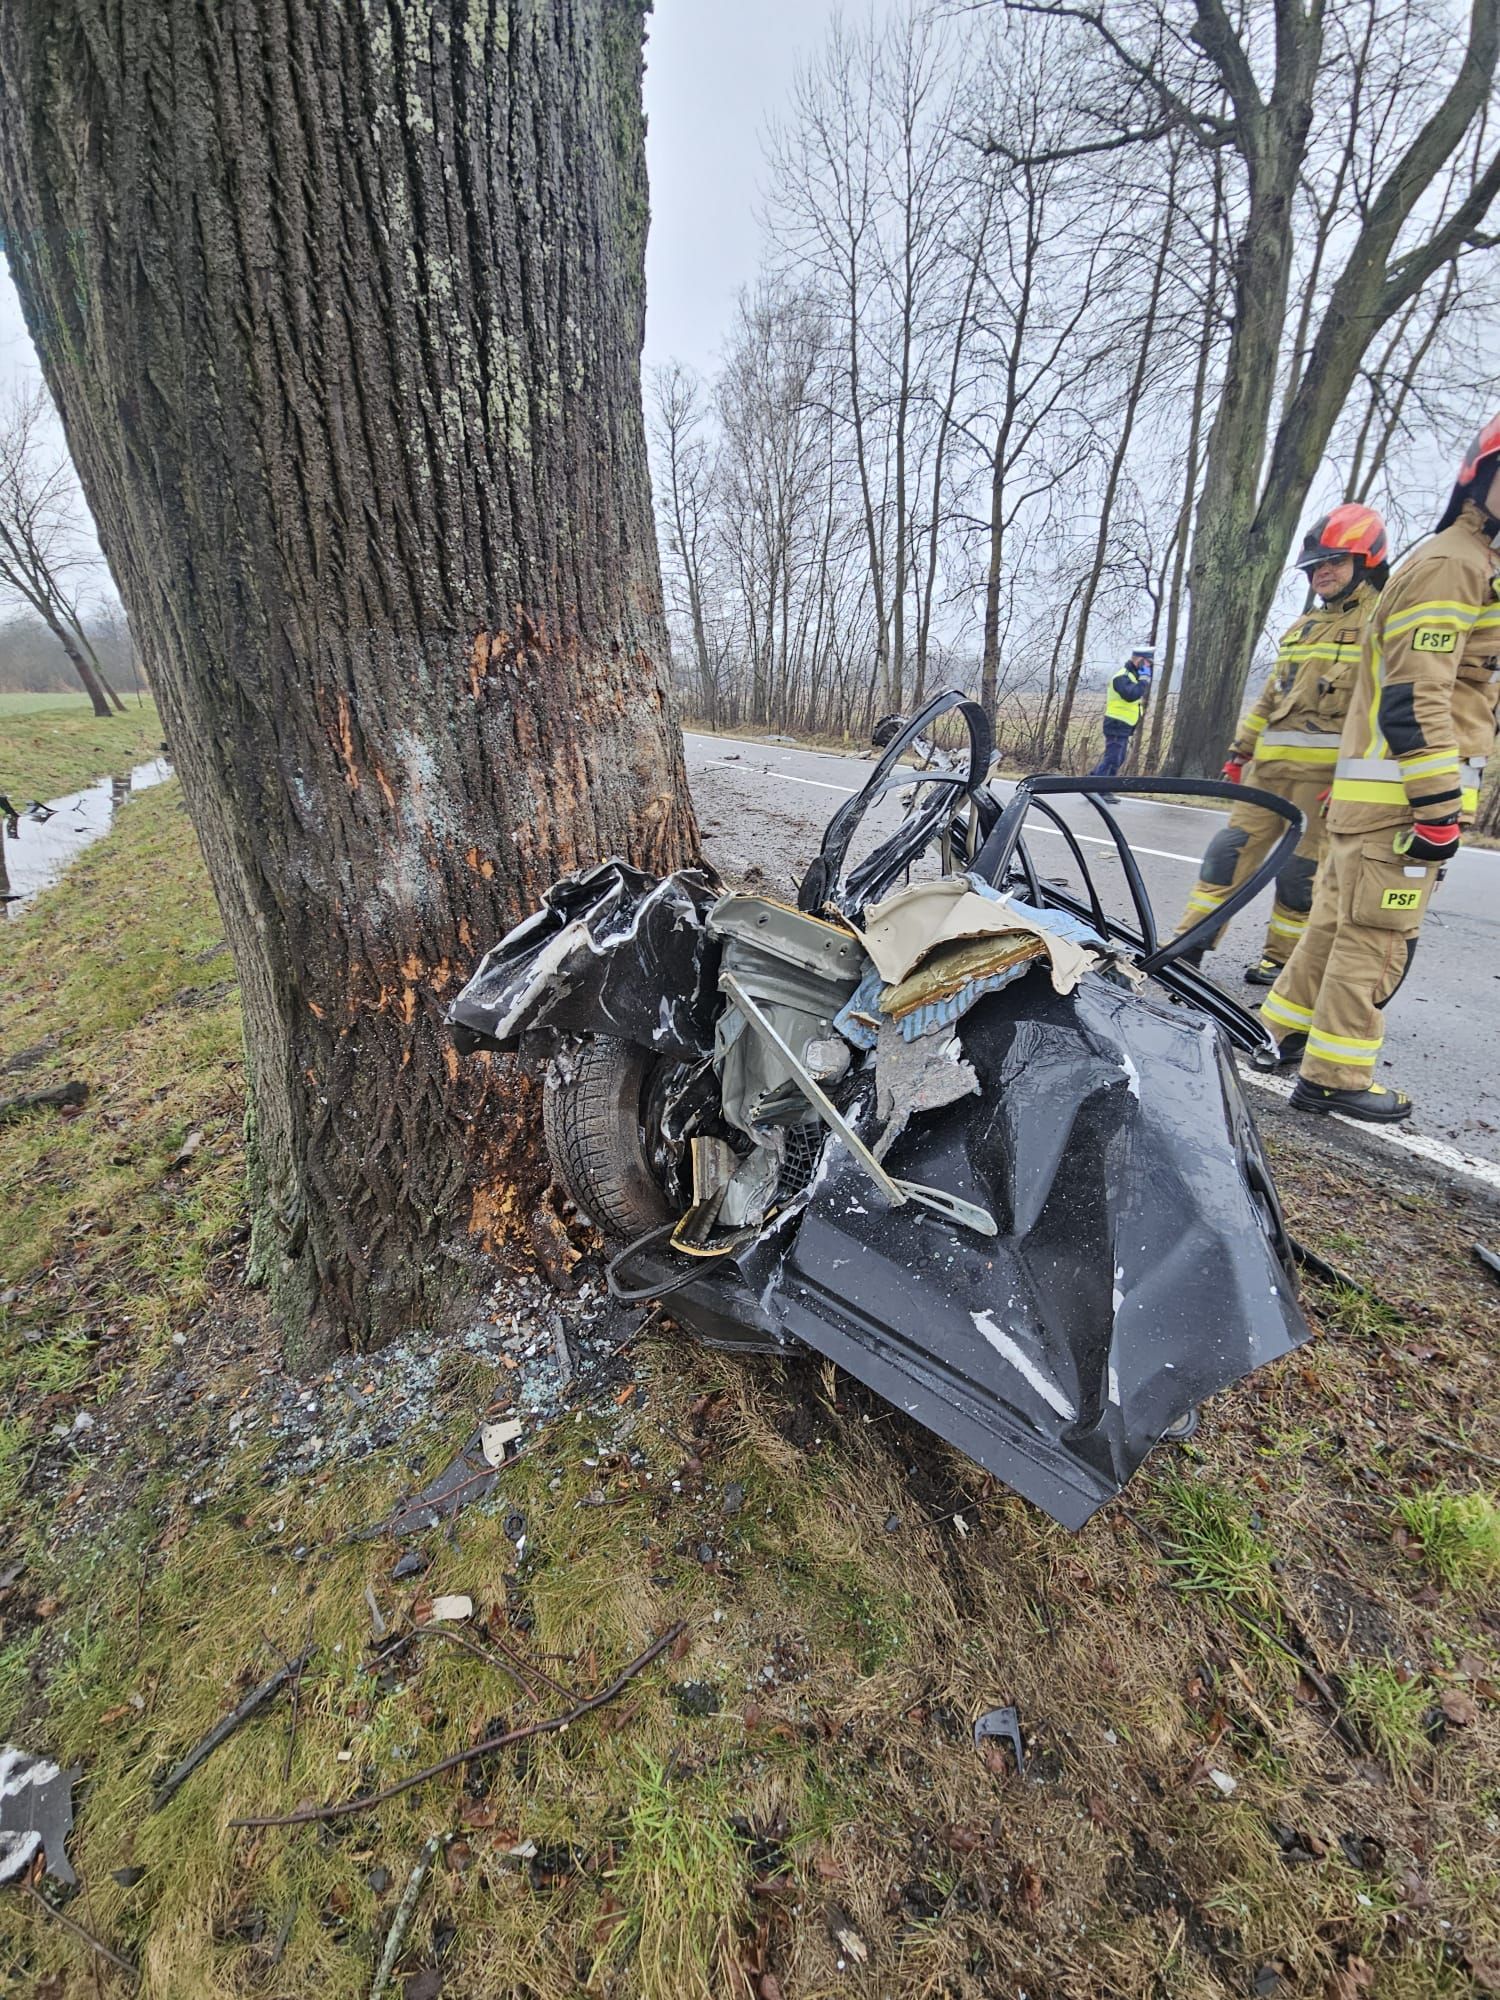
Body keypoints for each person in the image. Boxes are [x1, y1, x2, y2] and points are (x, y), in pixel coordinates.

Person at [1255, 414, 1500, 1121]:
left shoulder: (1458, 561)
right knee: (1376, 936)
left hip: (1373, 799)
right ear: (1476, 478)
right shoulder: (1457, 562)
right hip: (1404, 800)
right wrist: (1437, 807)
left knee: (1332, 928)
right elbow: (1415, 697)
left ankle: (1281, 1034)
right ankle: (1335, 1075)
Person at [1175, 506, 1388, 981]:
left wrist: (1358, 778)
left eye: (1334, 562)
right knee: (1225, 854)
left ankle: (1282, 960)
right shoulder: (1303, 627)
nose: (1322, 573)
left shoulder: (1383, 622)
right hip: (1268, 772)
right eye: (1315, 567)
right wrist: (1240, 751)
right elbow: (1273, 695)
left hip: (1325, 782)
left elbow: (1380, 709)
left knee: (1300, 876)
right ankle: (1189, 943)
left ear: (1366, 560)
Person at [1089, 645, 1153, 796]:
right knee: (1113, 758)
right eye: (1148, 663)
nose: (1149, 667)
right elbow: (1131, 695)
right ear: (1139, 660)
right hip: (1116, 723)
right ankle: (1098, 790)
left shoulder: (1131, 676)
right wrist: (1143, 681)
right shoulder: (1122, 677)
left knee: (1118, 758)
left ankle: (1092, 784)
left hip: (1124, 725)